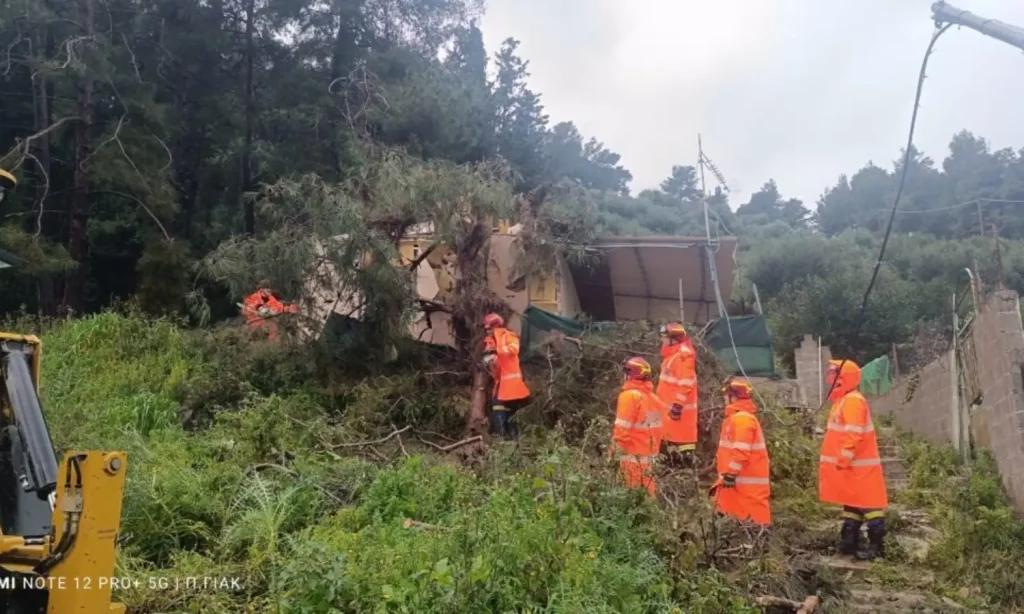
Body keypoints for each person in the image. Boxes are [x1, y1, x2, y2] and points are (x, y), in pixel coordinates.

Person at [819, 359, 889, 560]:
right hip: (852, 467)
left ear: (842, 378)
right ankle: (849, 543)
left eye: (833, 374)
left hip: (858, 467)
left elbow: (854, 433)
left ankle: (877, 548)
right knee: (852, 504)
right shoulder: (843, 400)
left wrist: (844, 458)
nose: (829, 377)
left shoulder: (852, 401)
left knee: (870, 506)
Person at [709, 378, 771, 525]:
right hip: (738, 483)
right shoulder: (737, 418)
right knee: (735, 515)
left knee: (753, 518)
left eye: (726, 395)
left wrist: (731, 474)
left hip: (743, 482)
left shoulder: (742, 419)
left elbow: (741, 451)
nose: (724, 398)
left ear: (734, 396)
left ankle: (760, 538)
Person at [612, 357, 663, 497]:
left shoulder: (629, 397)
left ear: (630, 374)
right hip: (649, 466)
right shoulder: (655, 400)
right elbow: (656, 433)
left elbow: (621, 433)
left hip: (630, 465)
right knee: (647, 503)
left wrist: (611, 456)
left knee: (627, 503)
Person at [655, 322, 698, 465]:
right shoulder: (672, 356)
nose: (662, 340)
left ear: (674, 339)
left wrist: (678, 406)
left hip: (679, 417)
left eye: (664, 337)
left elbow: (686, 383)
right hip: (669, 416)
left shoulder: (683, 357)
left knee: (680, 459)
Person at [483, 313, 530, 438]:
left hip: (511, 383)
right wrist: (490, 360)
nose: (487, 331)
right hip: (501, 382)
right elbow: (493, 362)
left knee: (500, 408)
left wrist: (498, 352)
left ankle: (504, 439)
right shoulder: (491, 341)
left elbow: (514, 350)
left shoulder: (509, 336)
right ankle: (510, 440)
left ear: (496, 326)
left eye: (489, 328)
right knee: (507, 411)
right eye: (486, 329)